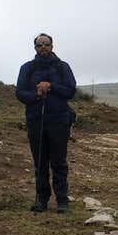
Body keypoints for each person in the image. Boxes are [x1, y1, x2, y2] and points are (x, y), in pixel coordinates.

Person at [16, 33, 77, 213]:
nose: (43, 47)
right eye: (39, 45)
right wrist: (36, 94)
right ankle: (41, 199)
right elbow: (19, 92)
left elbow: (71, 90)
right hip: (36, 121)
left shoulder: (62, 67)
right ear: (35, 47)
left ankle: (62, 200)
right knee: (40, 162)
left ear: (52, 46)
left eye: (46, 44)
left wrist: (51, 86)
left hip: (59, 121)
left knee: (59, 162)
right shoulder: (27, 68)